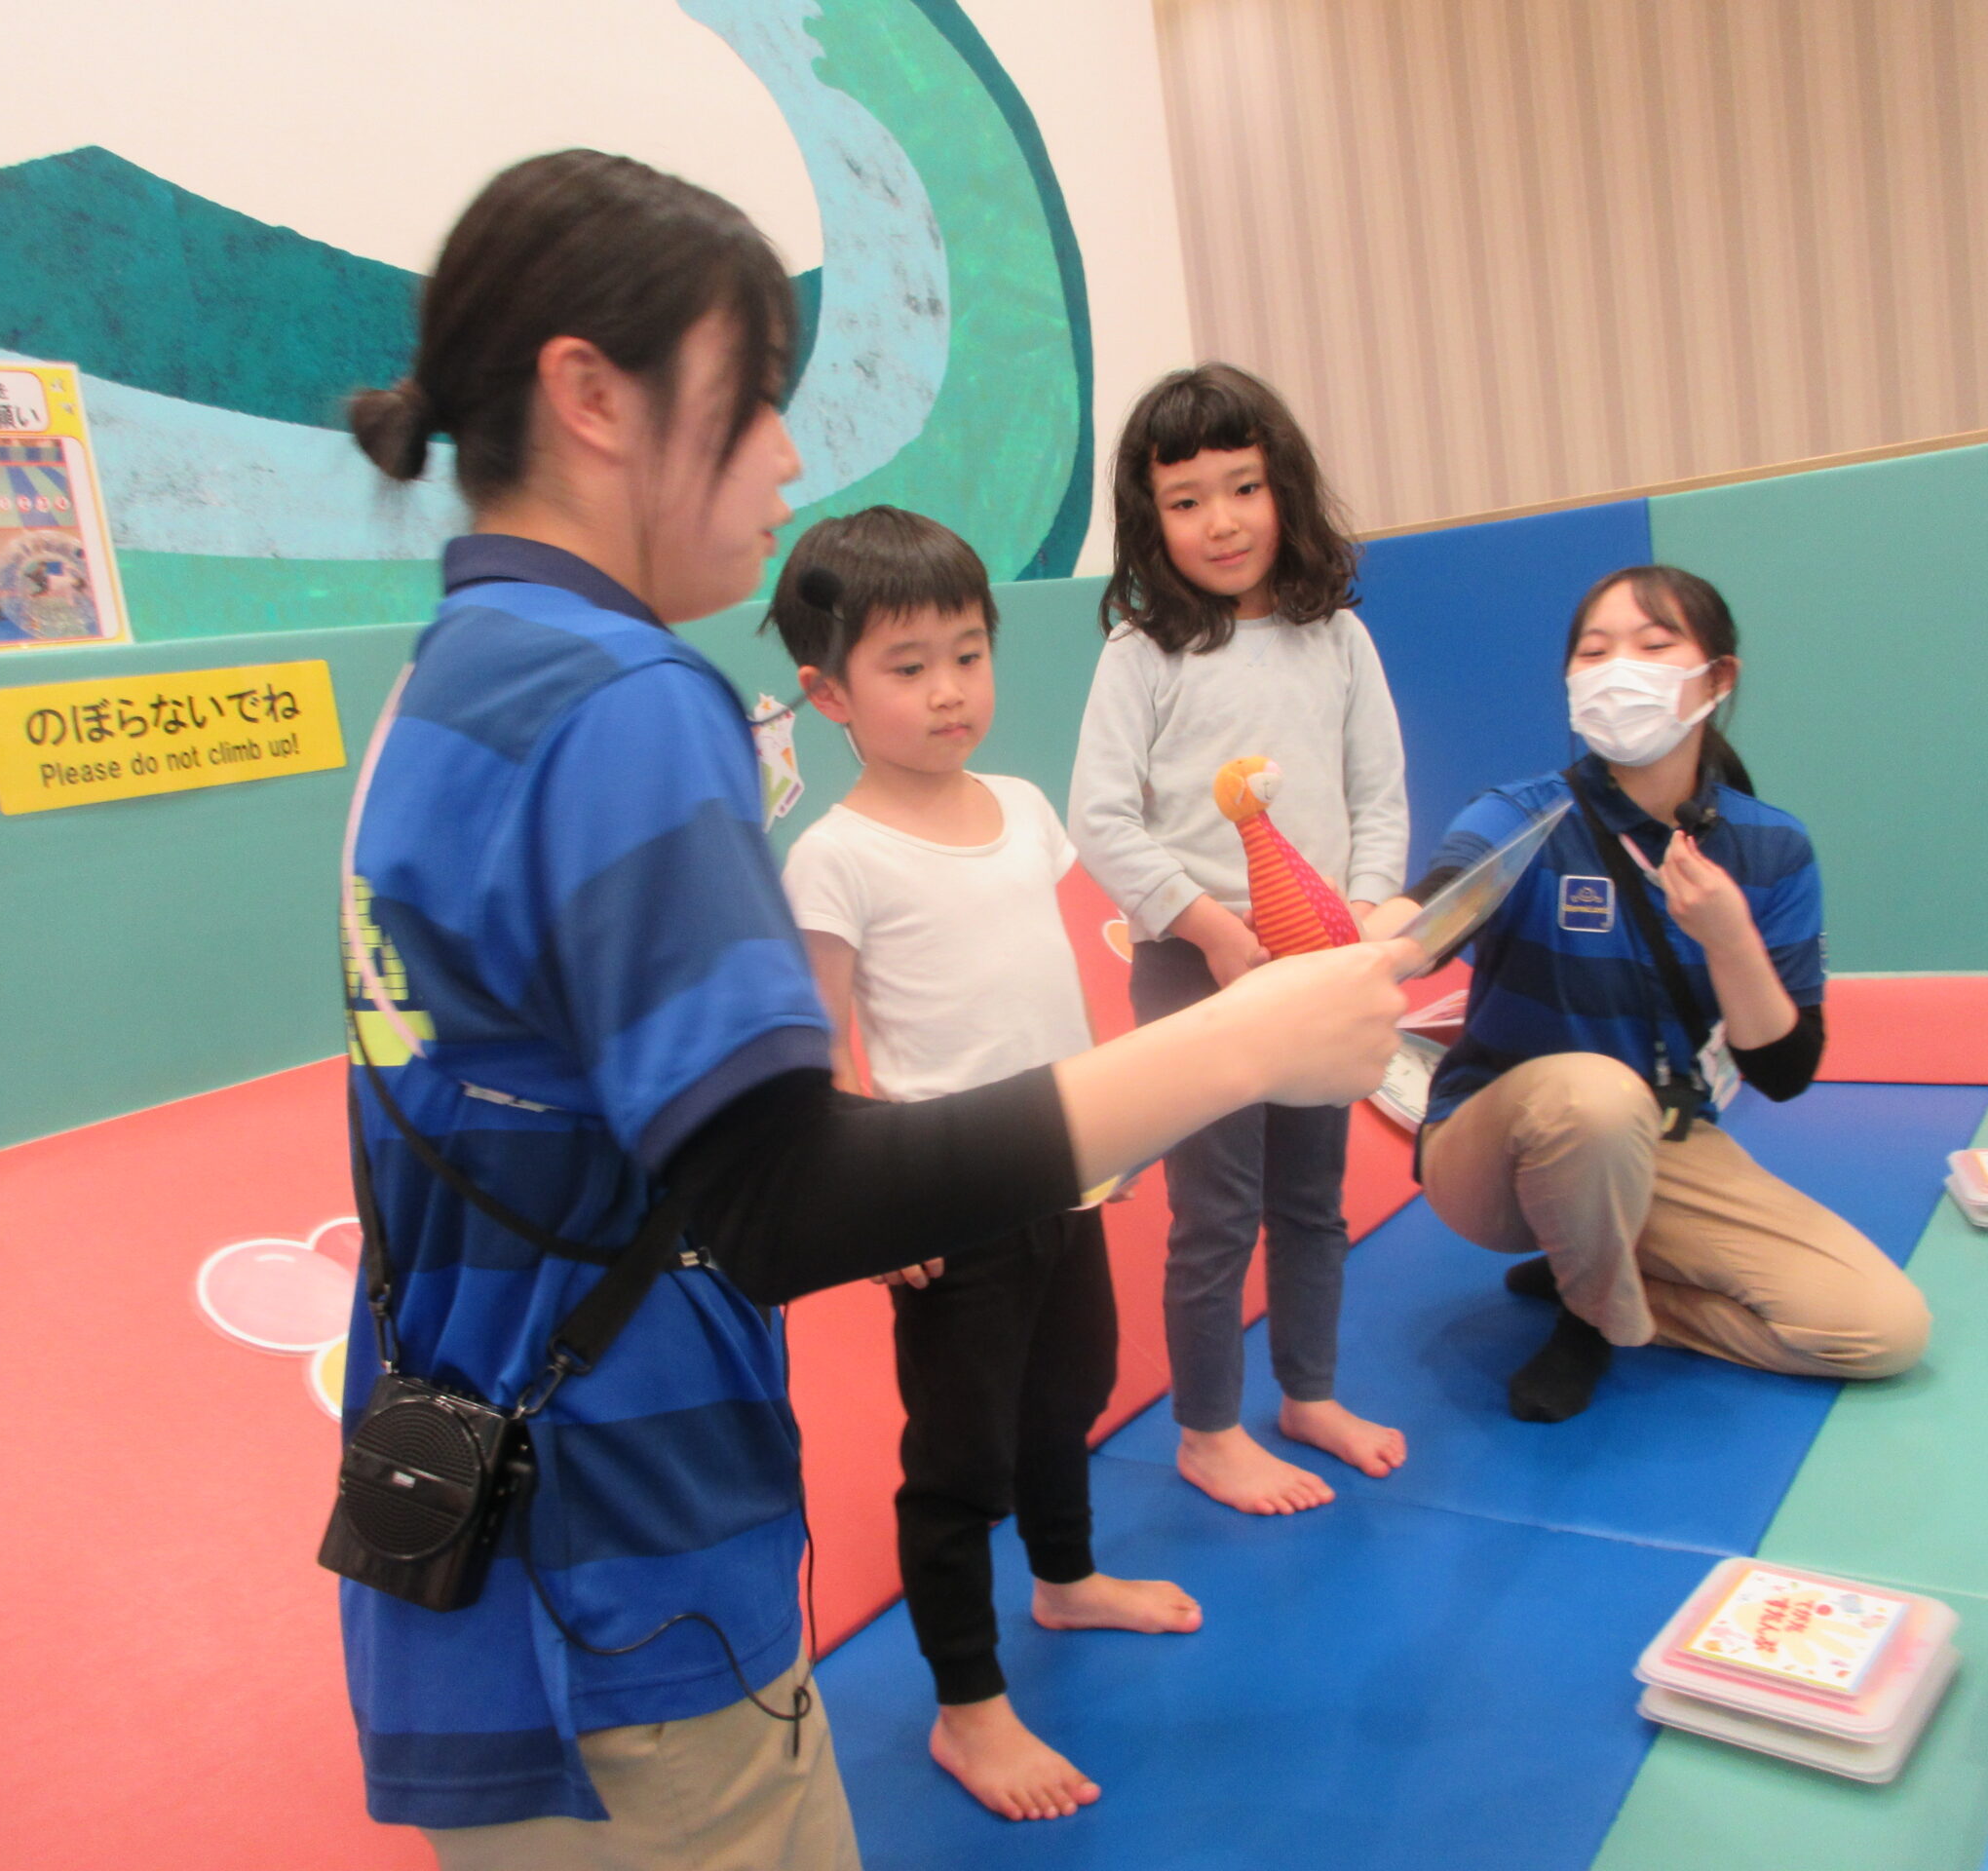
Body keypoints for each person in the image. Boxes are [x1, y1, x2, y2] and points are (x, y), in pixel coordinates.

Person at [338, 151, 1412, 1871]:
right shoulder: (622, 701)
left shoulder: (452, 676)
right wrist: (1240, 1045)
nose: (787, 454)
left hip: (495, 1563)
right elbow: (786, 1197)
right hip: (624, 1578)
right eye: (756, 396)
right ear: (594, 396)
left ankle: (1059, 1576)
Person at [772, 506, 1201, 1825]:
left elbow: (1044, 978)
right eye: (908, 667)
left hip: (1061, 1166)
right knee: (960, 1460)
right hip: (947, 1199)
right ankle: (967, 1705)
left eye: (968, 653)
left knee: (1070, 1391)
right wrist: (873, 1208)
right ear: (829, 694)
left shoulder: (1021, 809)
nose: (950, 689)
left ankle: (1065, 1580)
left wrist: (1111, 1123)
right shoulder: (835, 856)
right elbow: (823, 1053)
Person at [1368, 565, 1931, 1425]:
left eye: (1653, 645)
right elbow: (1433, 907)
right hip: (1495, 1147)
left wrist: (1730, 938)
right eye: (1594, 652)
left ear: (1718, 678)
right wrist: (1372, 939)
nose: (1617, 669)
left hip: (1659, 1138)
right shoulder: (1521, 815)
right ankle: (1595, 1317)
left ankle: (1607, 1281)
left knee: (1883, 1330)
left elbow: (1783, 1072)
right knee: (1594, 1096)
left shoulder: (1771, 849)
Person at [1068, 363, 1411, 1517]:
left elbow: (1377, 799)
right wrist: (1210, 929)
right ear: (1149, 518)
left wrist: (1365, 925)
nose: (1220, 521)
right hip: (1194, 963)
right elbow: (1099, 818)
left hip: (1316, 960)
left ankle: (1308, 1394)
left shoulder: (1337, 639)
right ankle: (1208, 1431)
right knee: (1215, 1210)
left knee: (1312, 1198)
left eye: (1243, 488)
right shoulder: (1142, 654)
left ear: (1283, 491)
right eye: (1186, 500)